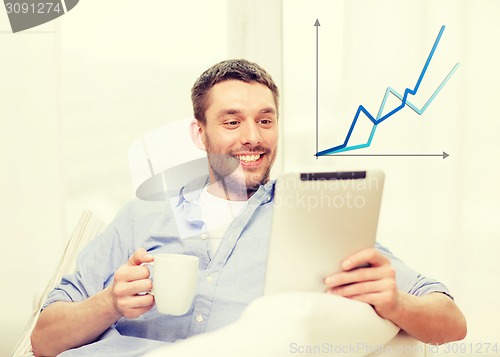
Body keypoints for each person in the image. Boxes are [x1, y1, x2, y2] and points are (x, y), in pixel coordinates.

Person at [31, 59, 466, 357]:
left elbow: (451, 321)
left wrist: (395, 303)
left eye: (265, 119)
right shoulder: (140, 216)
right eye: (232, 121)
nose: (252, 137)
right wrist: (109, 302)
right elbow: (44, 338)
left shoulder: (313, 217)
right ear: (200, 134)